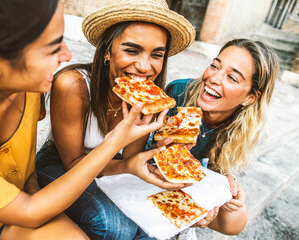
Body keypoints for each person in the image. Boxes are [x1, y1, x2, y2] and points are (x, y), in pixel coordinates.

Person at [0, 0, 168, 239]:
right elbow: (30, 211)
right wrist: (114, 142)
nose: (67, 55)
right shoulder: (65, 84)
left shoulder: (30, 87)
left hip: (27, 198)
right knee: (113, 225)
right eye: (51, 47)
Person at [35, 0, 199, 239]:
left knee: (151, 225)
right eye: (132, 50)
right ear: (107, 51)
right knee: (116, 226)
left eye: (156, 55)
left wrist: (163, 153)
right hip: (60, 165)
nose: (144, 67)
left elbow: (131, 158)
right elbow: (72, 162)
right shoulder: (73, 84)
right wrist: (127, 166)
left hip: (112, 167)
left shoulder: (150, 99)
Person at [163, 38, 280, 234]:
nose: (213, 78)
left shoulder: (241, 130)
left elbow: (232, 226)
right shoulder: (178, 93)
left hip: (180, 189)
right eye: (214, 66)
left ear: (250, 97)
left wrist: (229, 195)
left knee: (234, 219)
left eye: (232, 78)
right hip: (149, 175)